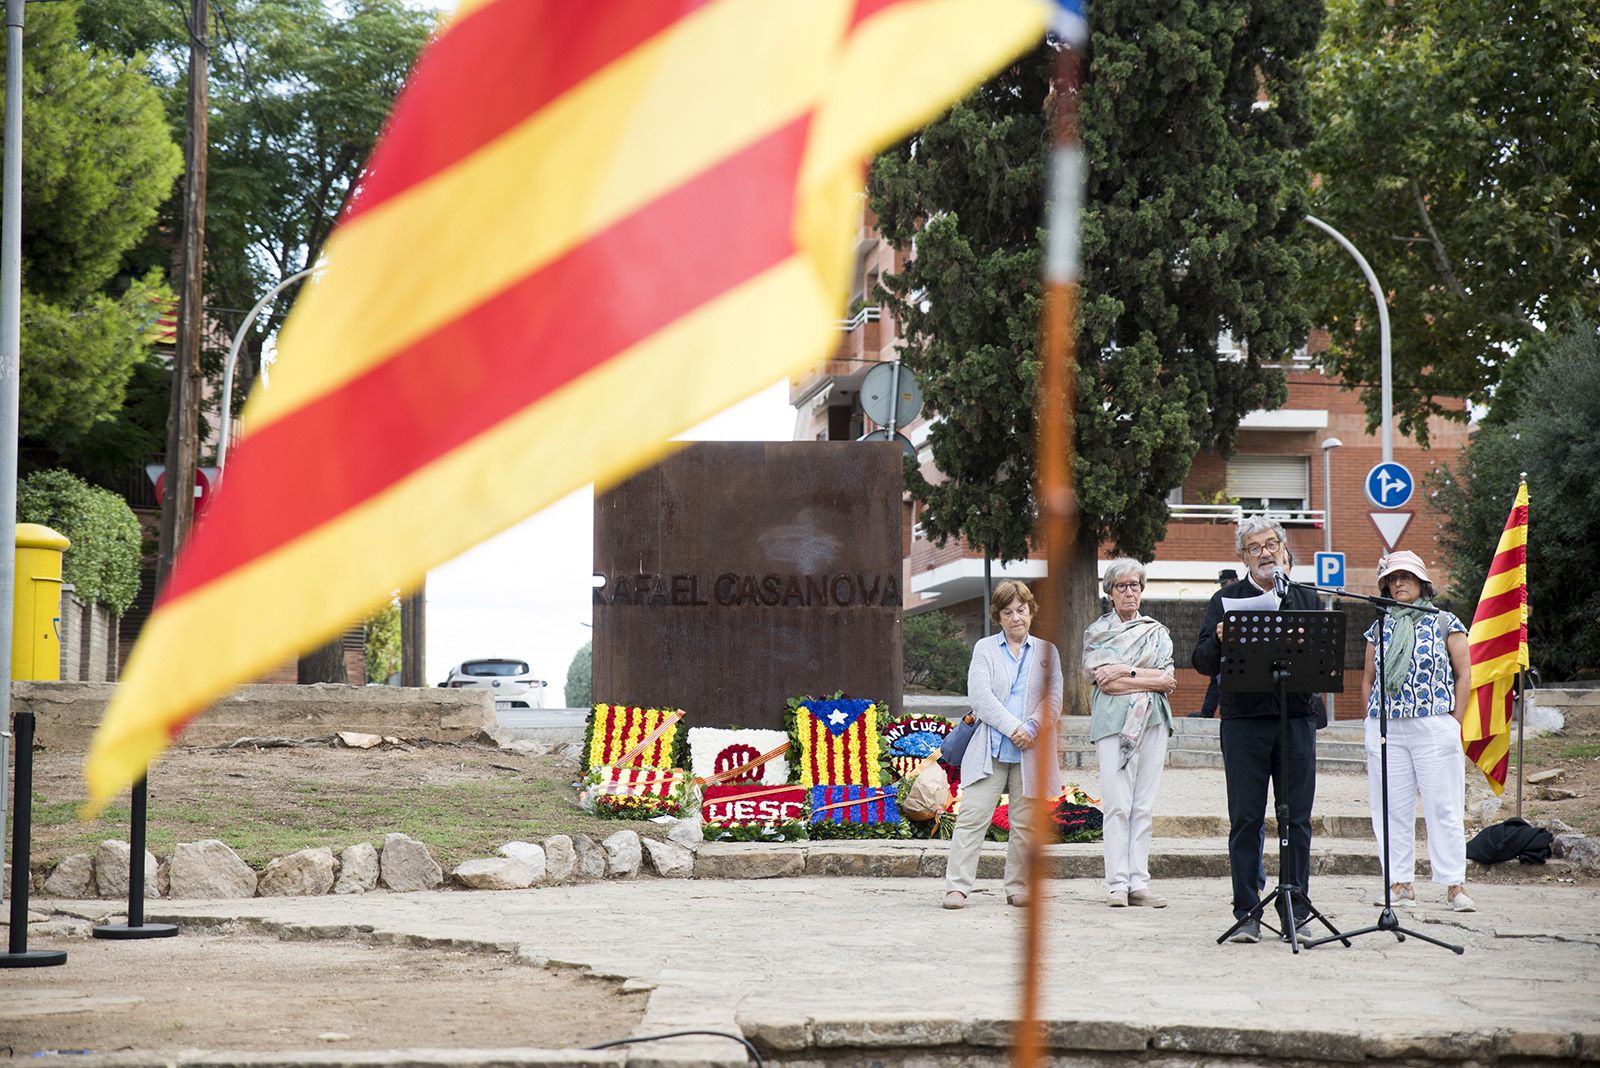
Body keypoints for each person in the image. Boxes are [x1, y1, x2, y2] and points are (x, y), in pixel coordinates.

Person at [1192, 517, 1322, 944]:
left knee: (1297, 819)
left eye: (1271, 544)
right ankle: (1247, 910)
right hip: (1244, 722)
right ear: (1242, 556)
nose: (1265, 553)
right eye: (1254, 547)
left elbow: (1323, 660)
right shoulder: (1226, 599)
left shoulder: (1305, 597)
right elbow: (1202, 662)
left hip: (1296, 717)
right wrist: (1219, 636)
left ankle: (1295, 911)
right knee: (1246, 818)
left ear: (1284, 548)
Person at [1362, 550, 1475, 912]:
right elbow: (1368, 679)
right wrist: (1371, 718)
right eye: (1393, 579)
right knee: (1391, 808)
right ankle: (1400, 883)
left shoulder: (1444, 622)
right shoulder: (1379, 626)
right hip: (1388, 727)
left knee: (1443, 807)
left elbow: (1464, 675)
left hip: (1433, 725)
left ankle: (1454, 885)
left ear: (1421, 583)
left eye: (1406, 578)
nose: (1398, 584)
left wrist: (1453, 721)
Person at [942, 579, 1064, 910]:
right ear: (999, 616)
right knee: (972, 817)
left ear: (1031, 612)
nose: (1015, 618)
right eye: (1008, 612)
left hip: (1030, 750)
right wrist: (1014, 728)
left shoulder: (1046, 651)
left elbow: (1053, 699)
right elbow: (981, 697)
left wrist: (1033, 727)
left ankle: (1018, 886)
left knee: (1024, 823)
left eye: (1021, 610)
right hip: (991, 748)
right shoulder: (985, 649)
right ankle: (957, 887)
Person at [1085, 559, 1179, 907]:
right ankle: (1116, 884)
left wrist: (1125, 671)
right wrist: (1145, 675)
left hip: (1154, 721)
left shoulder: (1158, 632)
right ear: (1109, 592)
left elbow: (1167, 680)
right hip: (1113, 724)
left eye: (1135, 585)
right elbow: (1104, 682)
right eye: (1122, 586)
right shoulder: (1098, 633)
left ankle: (1139, 881)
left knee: (1143, 805)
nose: (1129, 592)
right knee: (1117, 805)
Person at [1189, 569, 1238, 718]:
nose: (1222, 586)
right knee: (1216, 680)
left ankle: (1208, 711)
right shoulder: (1220, 599)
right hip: (1220, 650)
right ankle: (1208, 711)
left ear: (1233, 580)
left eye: (1224, 583)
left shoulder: (1239, 596)